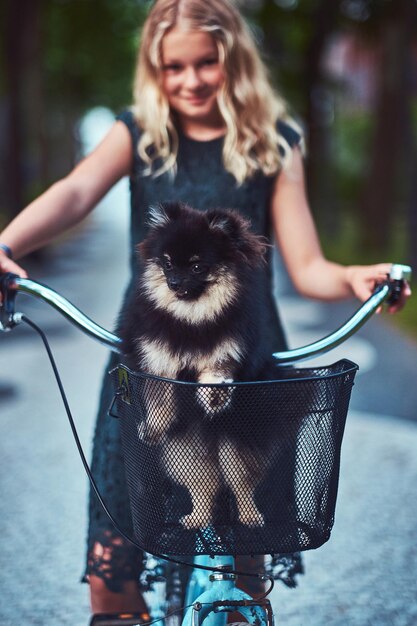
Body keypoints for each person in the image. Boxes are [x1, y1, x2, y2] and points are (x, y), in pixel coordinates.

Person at [0, 0, 410, 619]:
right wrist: (5, 245)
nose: (189, 80)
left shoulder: (273, 145)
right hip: (149, 374)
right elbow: (76, 192)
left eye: (206, 62)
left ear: (234, 60)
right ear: (155, 70)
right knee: (111, 570)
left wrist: (354, 276)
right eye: (173, 67)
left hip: (243, 374)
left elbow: (308, 268)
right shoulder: (141, 133)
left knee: (239, 562)